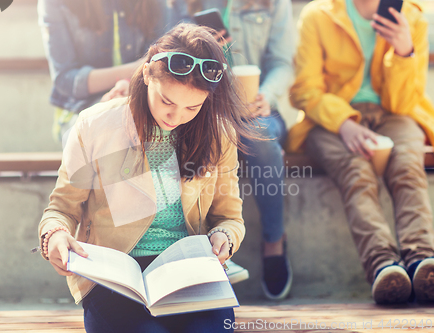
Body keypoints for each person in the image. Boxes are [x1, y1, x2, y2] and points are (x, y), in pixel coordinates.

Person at [38, 23, 257, 332]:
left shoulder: (218, 135)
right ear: (146, 75)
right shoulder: (95, 125)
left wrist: (225, 238)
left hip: (188, 275)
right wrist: (54, 237)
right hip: (114, 278)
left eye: (192, 107)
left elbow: (230, 218)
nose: (176, 115)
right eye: (166, 101)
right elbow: (61, 209)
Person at [288, 0, 434, 304]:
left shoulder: (413, 18)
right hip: (330, 120)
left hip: (394, 115)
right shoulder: (318, 14)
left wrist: (404, 51)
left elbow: (404, 104)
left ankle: (423, 262)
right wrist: (344, 123)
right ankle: (384, 265)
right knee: (356, 170)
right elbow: (305, 89)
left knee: (407, 165)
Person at [171, 0, 296, 298]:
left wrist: (268, 94)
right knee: (203, 133)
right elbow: (170, 52)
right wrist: (203, 50)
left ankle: (273, 243)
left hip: (259, 108)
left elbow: (283, 63)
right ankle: (206, 245)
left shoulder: (275, 4)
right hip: (206, 105)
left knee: (259, 137)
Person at [37, 0, 174, 143]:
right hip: (80, 108)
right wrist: (135, 71)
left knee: (153, 131)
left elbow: (164, 64)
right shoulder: (55, 3)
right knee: (111, 129)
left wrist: (131, 88)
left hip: (141, 97)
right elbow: (65, 80)